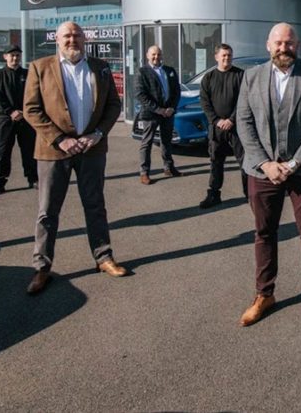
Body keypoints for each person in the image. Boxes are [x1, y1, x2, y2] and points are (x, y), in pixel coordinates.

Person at [236, 23, 301, 327]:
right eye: (278, 43)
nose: (283, 48)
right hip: (262, 170)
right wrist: (265, 163)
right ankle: (264, 294)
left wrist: (293, 164)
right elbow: (244, 122)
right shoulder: (251, 77)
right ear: (268, 45)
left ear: (298, 45)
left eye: (289, 43)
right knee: (264, 233)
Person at [22, 21, 127, 295]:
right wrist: (61, 139)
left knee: (95, 205)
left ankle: (103, 257)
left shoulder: (100, 67)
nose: (72, 40)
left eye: (77, 35)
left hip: (91, 148)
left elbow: (114, 105)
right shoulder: (40, 67)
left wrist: (98, 134)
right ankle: (42, 267)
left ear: (85, 39)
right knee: (47, 211)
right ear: (57, 40)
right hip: (54, 150)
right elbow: (31, 110)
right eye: (67, 35)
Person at [0, 45, 37, 197]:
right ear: (5, 57)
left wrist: (24, 111)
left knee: (29, 149)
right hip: (5, 119)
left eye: (17, 55)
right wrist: (10, 111)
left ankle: (33, 178)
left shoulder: (28, 74)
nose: (15, 58)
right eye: (12, 55)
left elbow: (34, 94)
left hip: (26, 119)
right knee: (2, 150)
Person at [199, 43, 247, 207]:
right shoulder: (209, 78)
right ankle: (214, 194)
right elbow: (205, 103)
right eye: (224, 55)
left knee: (245, 162)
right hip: (216, 128)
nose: (227, 58)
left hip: (237, 128)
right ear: (216, 57)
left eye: (229, 55)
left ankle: (250, 194)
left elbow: (244, 101)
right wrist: (217, 121)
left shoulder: (240, 76)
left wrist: (232, 119)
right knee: (216, 162)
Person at [135, 45, 182, 185]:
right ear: (147, 55)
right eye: (153, 55)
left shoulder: (169, 70)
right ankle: (144, 172)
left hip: (168, 113)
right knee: (147, 142)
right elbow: (140, 94)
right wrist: (158, 110)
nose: (156, 57)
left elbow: (176, 91)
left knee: (166, 141)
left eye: (159, 54)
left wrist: (171, 108)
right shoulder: (142, 72)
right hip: (151, 113)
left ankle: (168, 167)